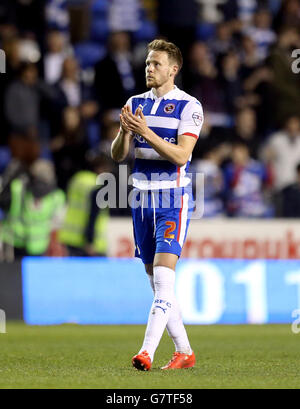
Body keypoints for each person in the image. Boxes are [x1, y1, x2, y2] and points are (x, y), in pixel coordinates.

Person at [111, 39, 204, 371]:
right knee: (156, 282)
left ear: (173, 69)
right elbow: (118, 155)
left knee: (164, 279)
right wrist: (125, 132)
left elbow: (181, 156)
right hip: (141, 200)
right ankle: (185, 352)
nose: (149, 68)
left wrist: (146, 132)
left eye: (156, 64)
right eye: (148, 63)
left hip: (171, 199)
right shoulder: (135, 103)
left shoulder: (189, 106)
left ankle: (146, 352)